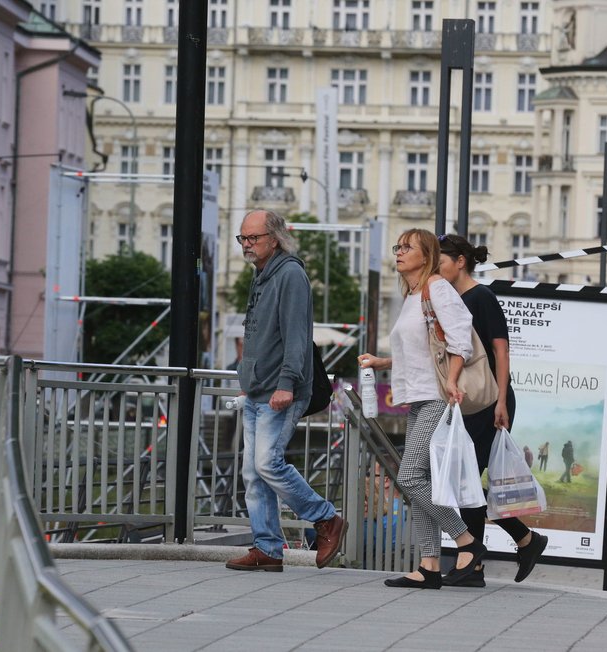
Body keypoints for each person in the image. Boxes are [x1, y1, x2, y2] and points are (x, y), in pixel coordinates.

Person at [358, 228, 487, 590]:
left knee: (410, 477)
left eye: (407, 247)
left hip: (436, 396)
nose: (398, 252)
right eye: (397, 246)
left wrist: (452, 379)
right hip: (417, 396)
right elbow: (417, 350)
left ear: (426, 254)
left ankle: (467, 543)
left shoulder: (437, 288)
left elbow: (461, 337)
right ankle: (429, 565)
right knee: (421, 484)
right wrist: (381, 362)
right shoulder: (412, 295)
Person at [225, 209, 347, 573]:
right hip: (258, 389)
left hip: (281, 389)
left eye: (253, 238)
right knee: (253, 473)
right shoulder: (262, 274)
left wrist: (286, 384)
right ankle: (267, 547)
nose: (247, 245)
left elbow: (297, 336)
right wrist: (249, 381)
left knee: (267, 463)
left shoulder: (290, 274)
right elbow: (259, 333)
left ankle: (325, 518)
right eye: (243, 238)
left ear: (274, 239)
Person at [436, 233, 548, 586]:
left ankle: (477, 563)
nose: (435, 270)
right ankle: (520, 542)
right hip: (472, 400)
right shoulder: (452, 298)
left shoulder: (480, 296)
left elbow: (501, 350)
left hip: (490, 401)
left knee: (464, 479)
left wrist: (501, 399)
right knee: (463, 480)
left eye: (439, 262)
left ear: (460, 261)